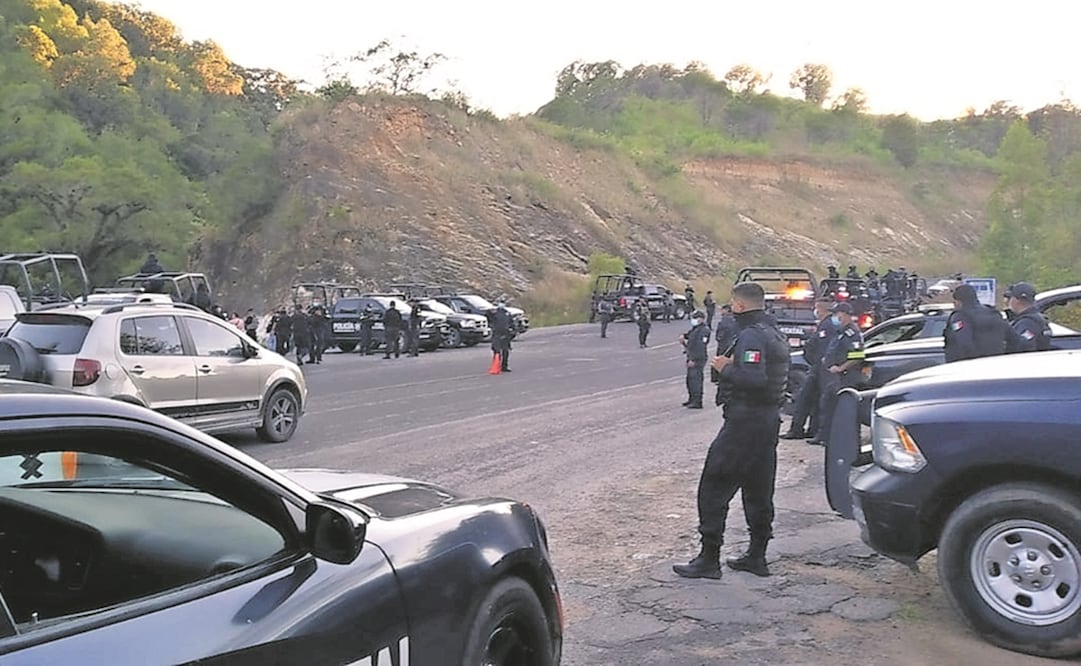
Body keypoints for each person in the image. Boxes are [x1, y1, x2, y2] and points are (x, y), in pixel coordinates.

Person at [673, 282, 789, 580]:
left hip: (746, 422)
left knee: (714, 485)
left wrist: (724, 367)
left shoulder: (751, 335)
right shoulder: (773, 332)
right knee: (758, 488)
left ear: (739, 305)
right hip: (766, 423)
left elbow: (754, 379)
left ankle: (709, 558)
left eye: (733, 304)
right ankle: (756, 556)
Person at [809, 302, 864, 446]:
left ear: (844, 314)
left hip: (845, 377)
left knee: (841, 409)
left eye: (836, 314)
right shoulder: (841, 331)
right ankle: (824, 437)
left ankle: (839, 440)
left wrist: (841, 368)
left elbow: (857, 355)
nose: (834, 317)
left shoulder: (852, 333)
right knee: (827, 406)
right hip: (832, 376)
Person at [781, 298, 836, 440]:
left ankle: (806, 430)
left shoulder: (828, 325)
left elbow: (823, 350)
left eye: (816, 307)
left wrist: (817, 363)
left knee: (809, 399)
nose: (815, 311)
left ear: (821, 309)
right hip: (817, 368)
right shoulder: (825, 324)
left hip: (821, 369)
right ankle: (803, 430)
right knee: (809, 399)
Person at [943, 284, 1011, 363]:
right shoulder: (993, 313)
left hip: (969, 367)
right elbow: (1014, 339)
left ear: (958, 302)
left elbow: (965, 344)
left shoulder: (960, 316)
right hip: (997, 364)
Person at [1004, 282, 1052, 353]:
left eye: (1010, 298)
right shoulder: (1038, 319)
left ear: (1016, 300)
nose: (1008, 301)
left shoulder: (1028, 322)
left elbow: (1021, 346)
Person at [679, 310, 711, 409]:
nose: (693, 320)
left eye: (695, 318)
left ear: (701, 319)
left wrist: (693, 359)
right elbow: (689, 336)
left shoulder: (704, 330)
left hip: (697, 358)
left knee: (696, 379)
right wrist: (683, 337)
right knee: (690, 380)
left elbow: (700, 347)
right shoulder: (696, 329)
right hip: (691, 356)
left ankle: (697, 401)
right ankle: (692, 398)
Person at [491, 301, 514, 371]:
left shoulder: (507, 313)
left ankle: (504, 366)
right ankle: (496, 366)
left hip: (505, 334)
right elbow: (489, 318)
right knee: (497, 351)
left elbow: (511, 323)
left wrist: (512, 331)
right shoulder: (494, 313)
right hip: (497, 334)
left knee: (505, 351)